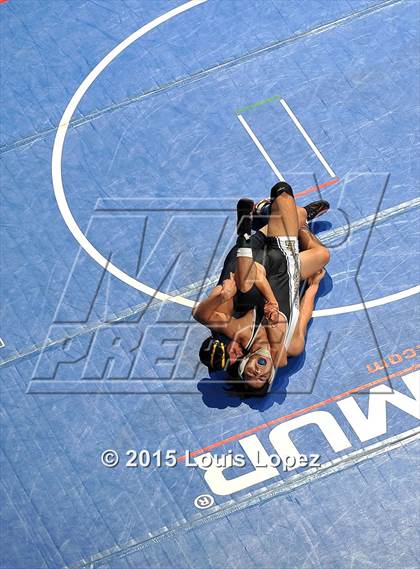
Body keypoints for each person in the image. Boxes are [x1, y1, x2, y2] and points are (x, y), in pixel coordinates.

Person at [194, 182, 330, 393]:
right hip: (285, 266)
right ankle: (288, 217)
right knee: (284, 194)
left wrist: (223, 296)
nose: (258, 373)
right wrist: (313, 287)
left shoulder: (239, 334)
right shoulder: (291, 347)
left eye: (251, 374)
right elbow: (304, 314)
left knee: (246, 285)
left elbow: (201, 314)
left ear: (242, 365)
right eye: (262, 379)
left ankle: (246, 235)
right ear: (270, 378)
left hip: (250, 267)